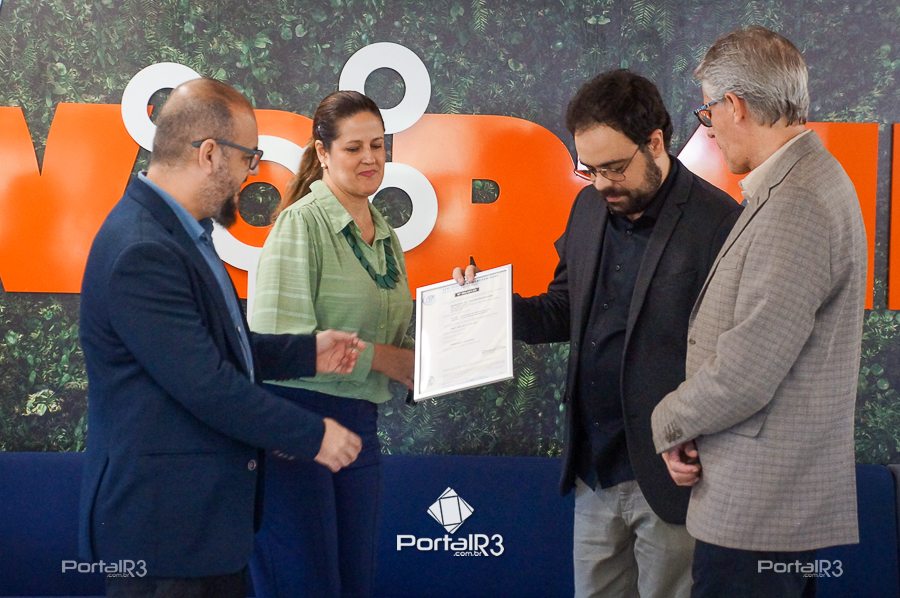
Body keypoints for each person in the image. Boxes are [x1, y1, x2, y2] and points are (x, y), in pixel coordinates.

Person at [455, 70, 741, 597]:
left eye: (614, 167)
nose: (602, 183)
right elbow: (565, 308)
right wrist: (489, 308)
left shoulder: (718, 221)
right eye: (589, 169)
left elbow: (734, 356)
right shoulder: (589, 205)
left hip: (673, 472)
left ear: (655, 142)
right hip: (594, 467)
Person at [78, 78, 365, 598]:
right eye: (247, 158)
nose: (250, 174)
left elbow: (214, 346)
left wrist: (307, 352)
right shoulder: (142, 249)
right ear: (209, 153)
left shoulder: (183, 233)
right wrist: (314, 435)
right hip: (163, 537)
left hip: (199, 531)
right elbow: (206, 384)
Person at [651, 26, 867, 597]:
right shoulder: (798, 183)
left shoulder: (799, 201)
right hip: (762, 507)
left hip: (758, 515)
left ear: (736, 106)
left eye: (708, 112)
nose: (709, 127)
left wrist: (668, 421)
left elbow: (746, 373)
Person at [248, 90, 414, 598]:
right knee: (305, 586)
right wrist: (388, 360)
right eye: (353, 148)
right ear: (323, 152)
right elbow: (278, 349)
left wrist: (459, 314)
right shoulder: (300, 223)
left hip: (360, 424)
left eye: (378, 146)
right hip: (297, 426)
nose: (370, 159)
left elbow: (397, 339)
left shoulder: (385, 234)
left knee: (353, 585)